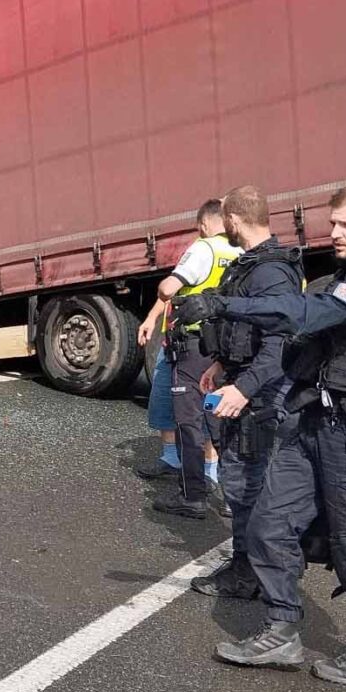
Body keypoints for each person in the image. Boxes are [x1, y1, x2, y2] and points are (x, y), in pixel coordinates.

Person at [173, 184, 346, 685]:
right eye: (332, 222)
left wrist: (220, 306)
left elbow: (306, 313)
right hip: (312, 423)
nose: (332, 232)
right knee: (269, 523)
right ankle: (281, 629)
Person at [189, 185, 304, 599]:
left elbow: (280, 343)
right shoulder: (252, 266)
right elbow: (246, 329)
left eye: (226, 223)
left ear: (234, 220)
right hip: (245, 381)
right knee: (242, 482)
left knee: (247, 484)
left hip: (262, 395)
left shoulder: (270, 271)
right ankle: (249, 564)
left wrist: (243, 388)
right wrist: (221, 364)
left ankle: (250, 572)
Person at [138, 200, 239, 513]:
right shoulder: (241, 253)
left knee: (189, 420)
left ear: (205, 224)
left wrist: (163, 288)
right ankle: (236, 496)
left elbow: (170, 289)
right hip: (221, 351)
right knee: (216, 416)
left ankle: (193, 495)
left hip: (193, 349)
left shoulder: (203, 249)